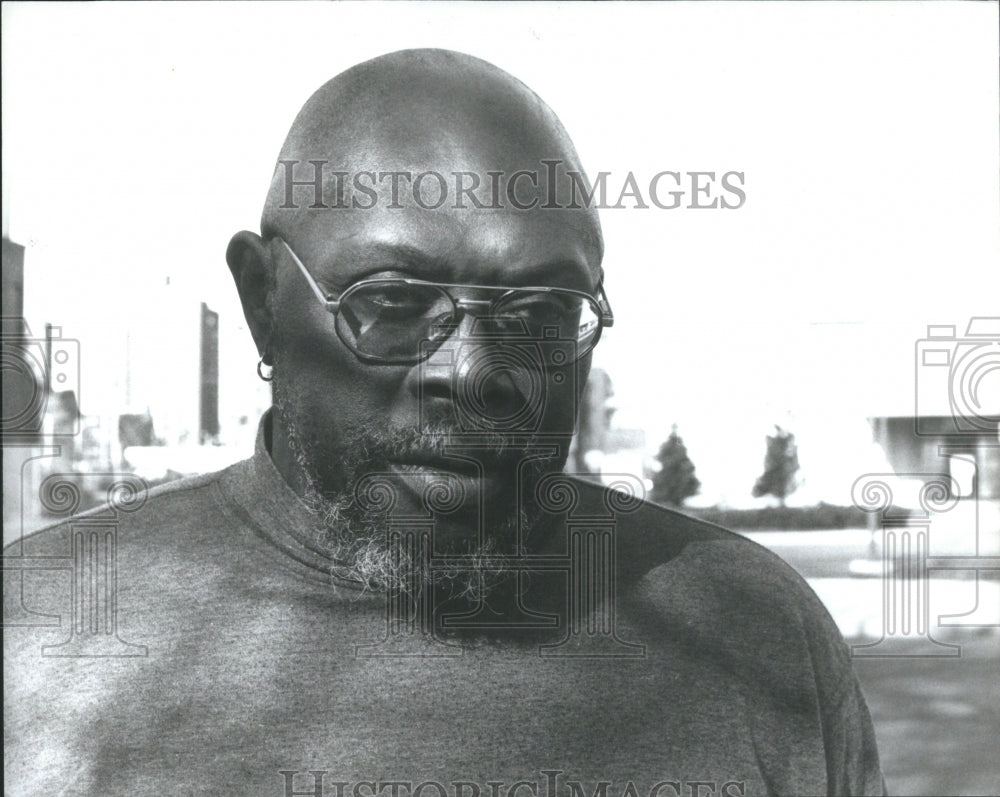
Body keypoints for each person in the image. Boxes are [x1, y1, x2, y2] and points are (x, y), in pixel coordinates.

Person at [3, 49, 884, 796]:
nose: (474, 373)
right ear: (264, 301)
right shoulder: (34, 639)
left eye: (541, 308)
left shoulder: (756, 635)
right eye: (391, 301)